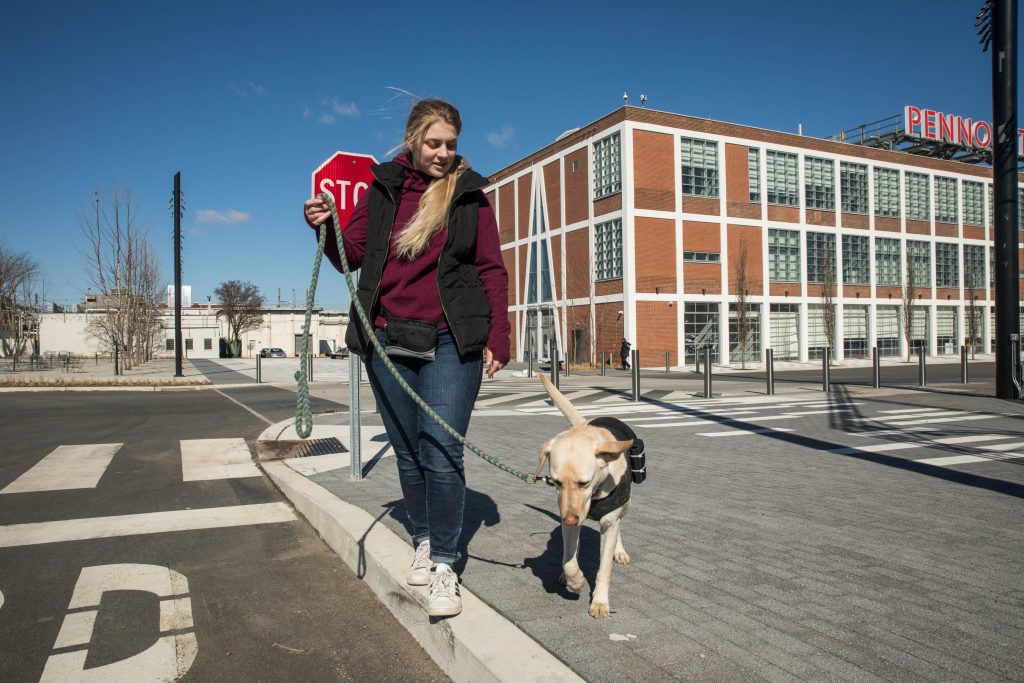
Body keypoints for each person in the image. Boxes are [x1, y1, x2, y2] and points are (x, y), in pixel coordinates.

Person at [303, 98, 510, 618]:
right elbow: (349, 257)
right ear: (413, 140)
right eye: (434, 143)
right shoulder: (382, 190)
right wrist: (322, 226)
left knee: (441, 449)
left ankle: (445, 562)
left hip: (449, 339)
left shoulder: (468, 197)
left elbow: (491, 270)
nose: (443, 153)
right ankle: (422, 536)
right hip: (385, 338)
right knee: (409, 452)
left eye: (451, 144)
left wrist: (499, 335)